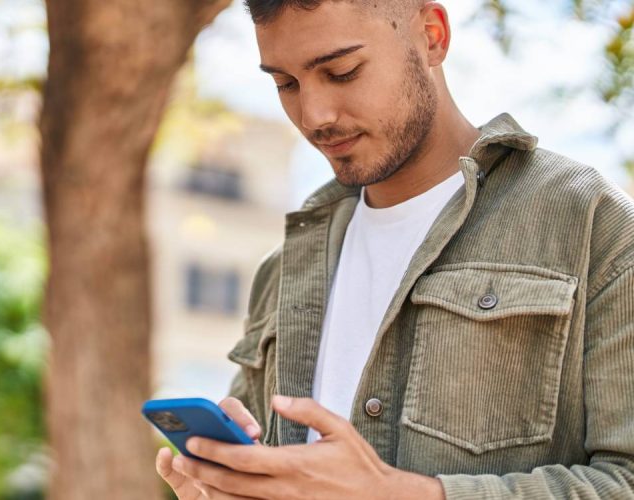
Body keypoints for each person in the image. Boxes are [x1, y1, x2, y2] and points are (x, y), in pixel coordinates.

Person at [156, 1, 634, 498]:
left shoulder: (590, 224)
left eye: (341, 72)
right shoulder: (285, 269)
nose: (315, 115)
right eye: (286, 84)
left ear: (431, 36)